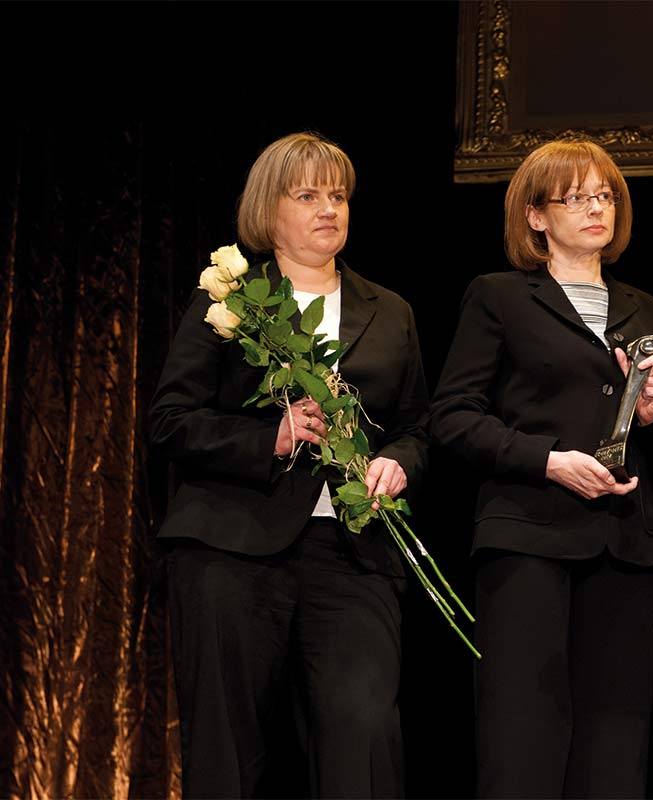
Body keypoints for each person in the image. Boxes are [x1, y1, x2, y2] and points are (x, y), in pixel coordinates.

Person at [149, 132, 428, 798]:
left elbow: (417, 427)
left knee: (364, 733)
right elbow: (169, 421)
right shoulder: (229, 303)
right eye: (307, 196)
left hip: (352, 554)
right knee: (229, 753)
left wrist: (396, 463)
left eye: (338, 196)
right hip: (231, 549)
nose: (329, 209)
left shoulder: (390, 311)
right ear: (268, 210)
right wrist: (268, 437)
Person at [429, 139, 653, 798]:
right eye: (576, 198)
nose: (596, 209)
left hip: (624, 543)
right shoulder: (500, 297)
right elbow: (452, 416)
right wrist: (546, 460)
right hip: (528, 538)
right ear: (536, 216)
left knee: (615, 745)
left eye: (605, 196)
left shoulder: (647, 310)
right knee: (523, 736)